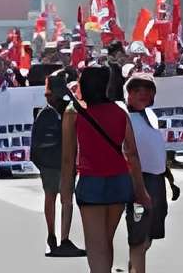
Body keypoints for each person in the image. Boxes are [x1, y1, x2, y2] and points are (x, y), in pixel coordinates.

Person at [71, 73, 141, 273]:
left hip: (91, 180)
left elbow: (68, 158)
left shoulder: (77, 115)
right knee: (105, 240)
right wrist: (141, 190)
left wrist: (66, 192)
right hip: (119, 180)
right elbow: (132, 153)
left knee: (96, 246)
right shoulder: (120, 113)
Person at [121, 76, 172, 273]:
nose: (143, 93)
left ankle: (132, 268)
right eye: (137, 89)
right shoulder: (124, 116)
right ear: (128, 93)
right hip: (138, 182)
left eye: (148, 89)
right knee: (138, 235)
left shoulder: (150, 115)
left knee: (149, 235)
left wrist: (169, 178)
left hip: (157, 182)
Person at [36, 67, 84, 258]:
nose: (50, 98)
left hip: (66, 163)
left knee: (66, 201)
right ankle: (52, 237)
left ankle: (63, 239)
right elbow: (37, 143)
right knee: (53, 198)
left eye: (52, 94)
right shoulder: (46, 114)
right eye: (48, 94)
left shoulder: (69, 109)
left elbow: (82, 111)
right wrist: (42, 163)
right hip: (52, 164)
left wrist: (69, 95)